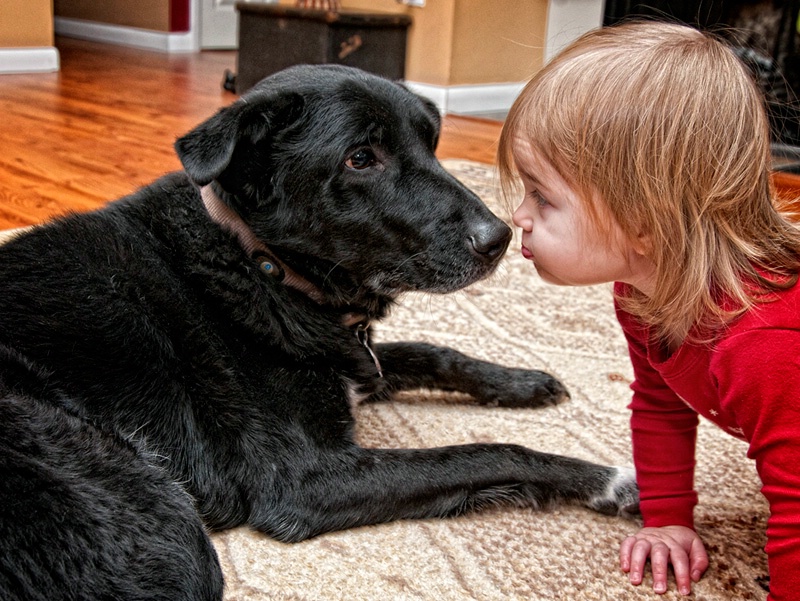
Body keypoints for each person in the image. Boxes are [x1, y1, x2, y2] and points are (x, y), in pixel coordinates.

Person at [497, 20, 800, 600]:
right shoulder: (643, 293)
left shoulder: (766, 342)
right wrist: (666, 518)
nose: (519, 214)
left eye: (543, 196)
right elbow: (663, 401)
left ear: (643, 218)